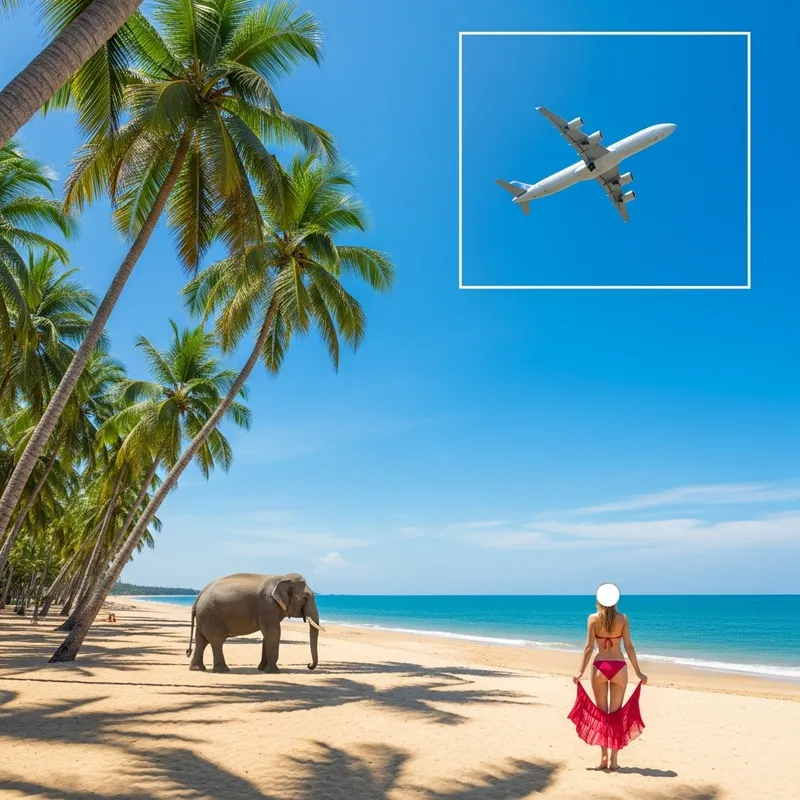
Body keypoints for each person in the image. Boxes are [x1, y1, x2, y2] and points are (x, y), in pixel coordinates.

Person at [568, 583, 648, 770]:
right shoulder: (623, 619)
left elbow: (588, 648)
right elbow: (629, 647)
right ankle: (614, 760)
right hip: (619, 666)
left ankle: (603, 758)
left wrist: (580, 671)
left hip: (601, 665)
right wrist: (638, 672)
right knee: (616, 714)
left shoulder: (593, 619)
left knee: (603, 714)